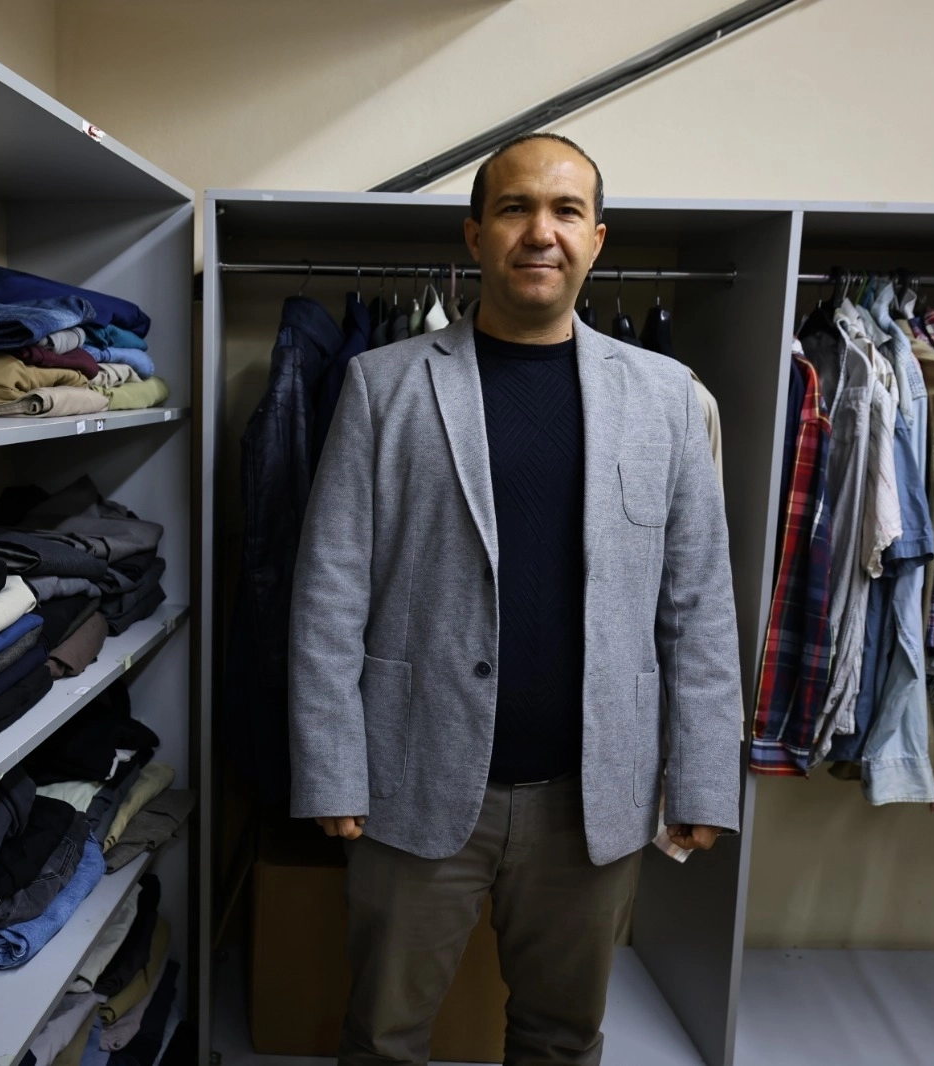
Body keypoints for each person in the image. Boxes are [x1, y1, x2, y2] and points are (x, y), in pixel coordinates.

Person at [287, 132, 743, 1066]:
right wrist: (331, 767)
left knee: (562, 1040)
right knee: (381, 1038)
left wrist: (703, 775)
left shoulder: (666, 397)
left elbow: (698, 601)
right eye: (515, 209)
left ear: (597, 240)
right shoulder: (384, 384)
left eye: (566, 211)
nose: (542, 232)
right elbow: (329, 588)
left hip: (592, 798)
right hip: (411, 783)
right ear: (475, 235)